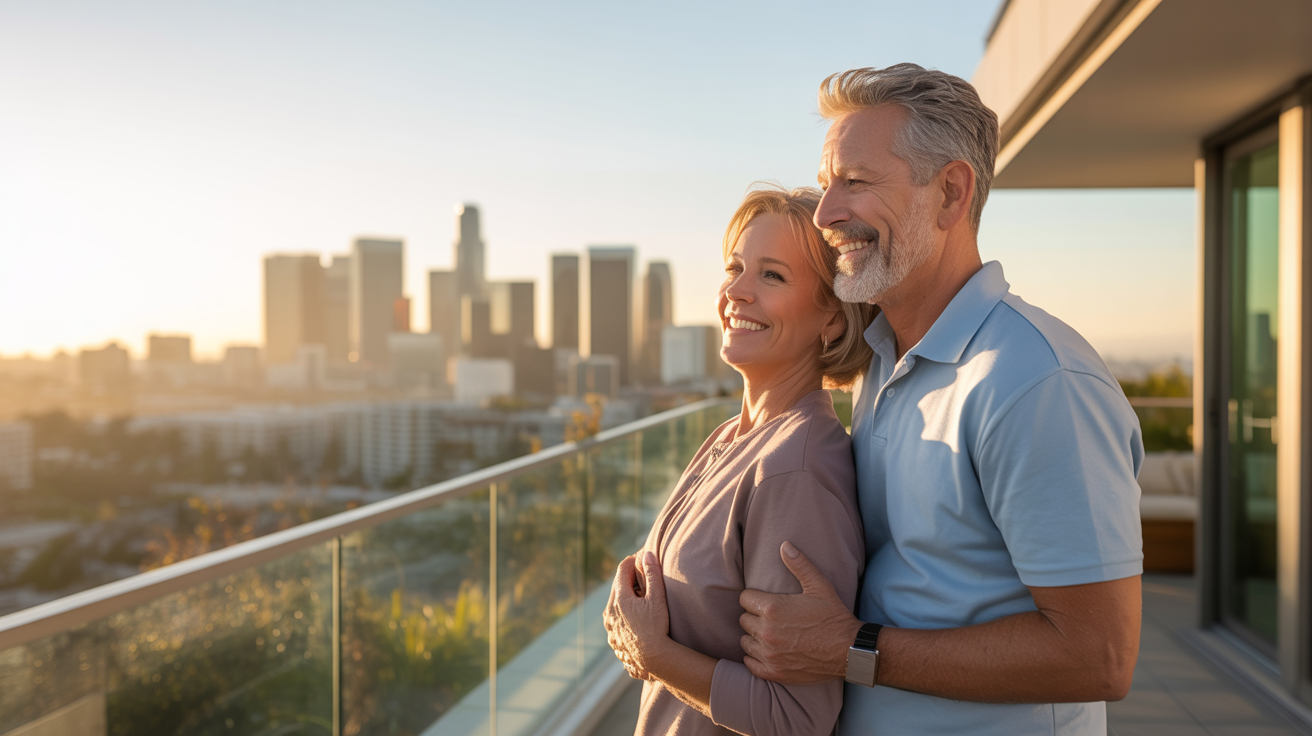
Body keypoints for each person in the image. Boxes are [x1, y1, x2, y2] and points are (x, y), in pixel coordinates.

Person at [734, 64, 1144, 735]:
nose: (826, 212)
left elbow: (1099, 656)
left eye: (856, 182)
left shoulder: (1037, 382)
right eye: (827, 182)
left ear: (951, 193)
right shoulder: (883, 359)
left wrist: (850, 649)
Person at [603, 185, 876, 735]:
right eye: (734, 268)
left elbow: (796, 718)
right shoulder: (733, 436)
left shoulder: (794, 471)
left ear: (833, 318)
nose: (736, 292)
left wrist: (655, 654)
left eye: (772, 276)